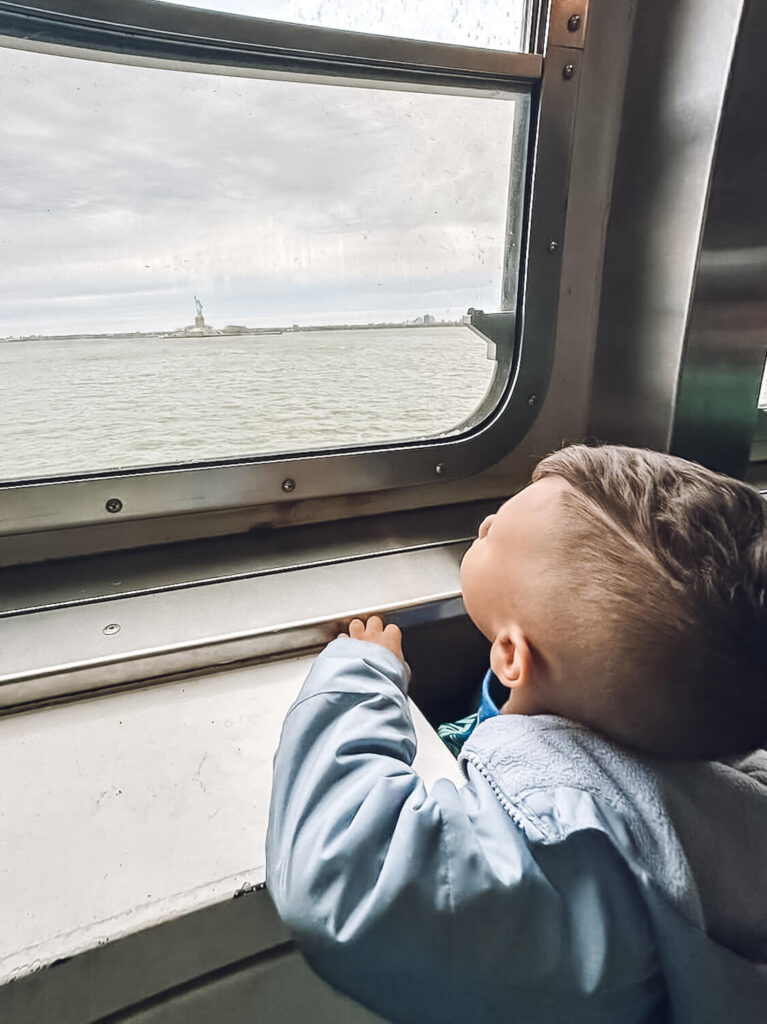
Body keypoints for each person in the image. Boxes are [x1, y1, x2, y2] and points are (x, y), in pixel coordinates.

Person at [266, 445, 767, 1024]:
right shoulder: (732, 784)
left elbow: (344, 877)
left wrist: (360, 675)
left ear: (510, 656)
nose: (482, 523)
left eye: (492, 532)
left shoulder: (560, 845)